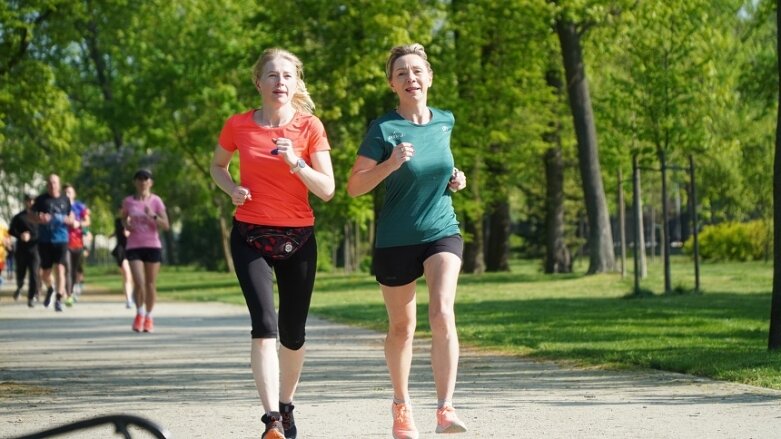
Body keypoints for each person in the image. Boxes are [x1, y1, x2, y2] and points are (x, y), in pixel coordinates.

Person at [210, 48, 335, 439]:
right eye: (272, 75)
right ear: (258, 82)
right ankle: (271, 421)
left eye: (287, 76)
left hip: (298, 238)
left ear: (296, 83)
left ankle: (286, 405)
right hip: (250, 234)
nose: (280, 82)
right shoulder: (238, 125)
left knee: (293, 333)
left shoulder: (310, 126)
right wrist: (231, 188)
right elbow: (218, 166)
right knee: (264, 325)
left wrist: (296, 162)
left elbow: (328, 189)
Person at [346, 43, 468, 439]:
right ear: (392, 84)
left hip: (441, 230)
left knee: (442, 312)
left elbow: (441, 166)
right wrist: (390, 163)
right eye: (402, 73)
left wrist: (456, 178)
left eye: (417, 71)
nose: (411, 78)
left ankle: (445, 409)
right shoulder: (382, 129)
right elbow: (354, 187)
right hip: (396, 239)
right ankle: (401, 406)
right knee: (402, 328)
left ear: (429, 77)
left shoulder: (445, 121)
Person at [120, 169, 169, 333]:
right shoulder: (128, 201)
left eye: (145, 179)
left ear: (150, 182)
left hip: (152, 245)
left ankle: (149, 316)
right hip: (134, 245)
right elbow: (123, 218)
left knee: (150, 284)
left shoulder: (156, 201)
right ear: (135, 182)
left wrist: (153, 216)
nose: (142, 182)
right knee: (139, 282)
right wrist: (126, 225)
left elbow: (166, 225)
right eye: (139, 179)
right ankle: (139, 313)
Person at [33, 174, 74, 312]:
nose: (52, 185)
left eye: (55, 182)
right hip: (45, 240)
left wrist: (70, 220)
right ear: (46, 185)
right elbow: (32, 215)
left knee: (60, 269)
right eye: (50, 183)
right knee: (45, 273)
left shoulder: (65, 199)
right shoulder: (40, 200)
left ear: (59, 184)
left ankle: (58, 299)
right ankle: (50, 288)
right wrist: (40, 218)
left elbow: (71, 215)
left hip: (61, 239)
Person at [8, 194, 41, 307]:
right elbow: (11, 230)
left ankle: (31, 297)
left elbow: (41, 233)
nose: (31, 203)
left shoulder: (39, 217)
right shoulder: (19, 217)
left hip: (35, 250)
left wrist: (30, 237)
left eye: (33, 201)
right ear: (26, 202)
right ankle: (19, 286)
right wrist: (20, 235)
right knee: (21, 273)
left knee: (34, 274)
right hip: (21, 250)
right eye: (29, 201)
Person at [64, 184, 90, 304]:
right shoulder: (59, 206)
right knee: (67, 269)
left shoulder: (80, 206)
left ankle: (72, 290)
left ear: (74, 194)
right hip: (64, 242)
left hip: (77, 243)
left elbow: (87, 221)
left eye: (69, 192)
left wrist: (78, 223)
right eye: (65, 193)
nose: (67, 195)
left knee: (74, 270)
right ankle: (67, 294)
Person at [111, 213, 134, 309]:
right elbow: (125, 233)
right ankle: (128, 299)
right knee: (127, 274)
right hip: (122, 250)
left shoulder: (135, 220)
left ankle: (131, 295)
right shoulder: (119, 221)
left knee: (132, 277)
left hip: (133, 249)